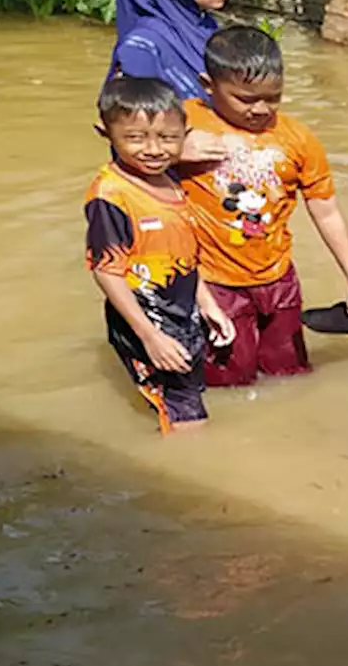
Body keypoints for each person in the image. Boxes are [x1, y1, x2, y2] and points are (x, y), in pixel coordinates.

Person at [178, 25, 348, 387]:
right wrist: (176, 150)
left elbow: (326, 209)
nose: (261, 109)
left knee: (290, 374)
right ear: (208, 86)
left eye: (273, 97)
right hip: (214, 282)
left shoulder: (298, 139)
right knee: (230, 378)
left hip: (278, 278)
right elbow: (122, 143)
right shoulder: (182, 123)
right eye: (246, 98)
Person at [85, 78, 236, 434]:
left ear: (186, 133)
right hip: (148, 321)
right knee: (187, 420)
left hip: (182, 312)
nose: (153, 149)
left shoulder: (170, 182)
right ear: (105, 133)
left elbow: (183, 255)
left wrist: (208, 305)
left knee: (185, 400)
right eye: (135, 138)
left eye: (168, 138)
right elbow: (107, 271)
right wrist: (150, 337)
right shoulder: (111, 196)